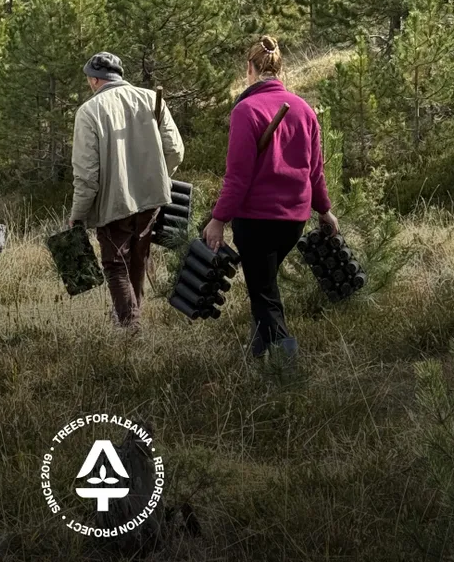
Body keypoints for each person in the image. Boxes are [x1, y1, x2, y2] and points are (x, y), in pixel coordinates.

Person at [202, 36, 338, 358]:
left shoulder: (245, 111)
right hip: (294, 221)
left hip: (258, 220)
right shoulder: (305, 110)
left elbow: (237, 178)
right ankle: (258, 355)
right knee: (265, 285)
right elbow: (315, 171)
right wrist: (324, 210)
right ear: (280, 68)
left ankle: (285, 371)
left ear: (249, 68)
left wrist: (218, 220)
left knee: (263, 295)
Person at [70, 52, 185, 330]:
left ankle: (130, 327)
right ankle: (132, 316)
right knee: (138, 257)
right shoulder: (150, 99)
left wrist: (78, 215)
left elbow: (87, 175)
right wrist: (156, 179)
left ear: (94, 80)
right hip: (150, 200)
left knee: (115, 264)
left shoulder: (89, 111)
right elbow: (175, 150)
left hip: (113, 203)